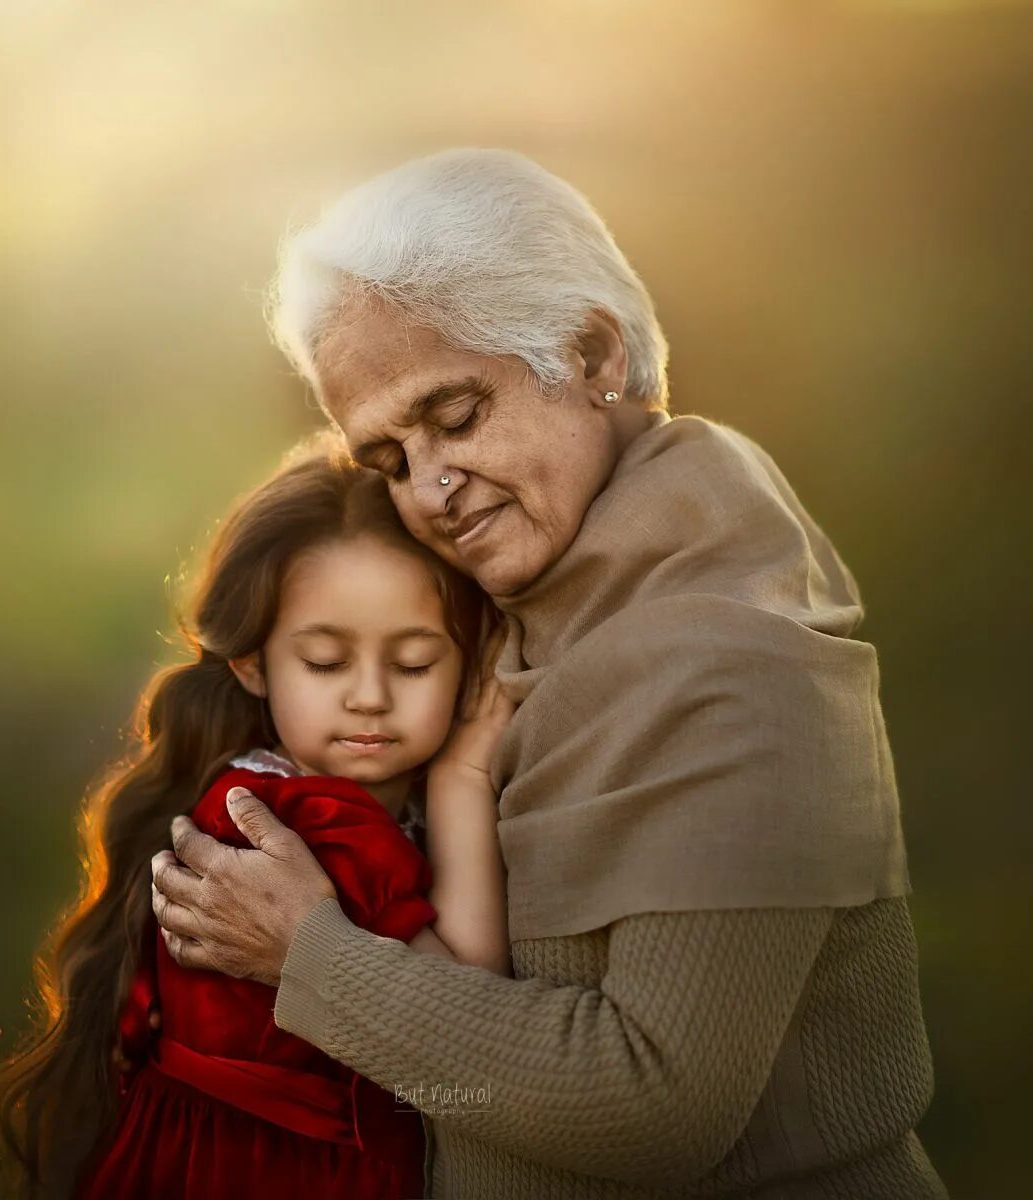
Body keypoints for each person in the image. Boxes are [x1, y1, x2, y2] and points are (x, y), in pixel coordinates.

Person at [151, 149, 949, 1198]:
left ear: (590, 352)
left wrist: (310, 955)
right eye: (389, 459)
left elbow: (649, 1108)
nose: (430, 488)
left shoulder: (728, 661)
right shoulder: (516, 611)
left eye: (453, 414)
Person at [0, 435, 513, 1199]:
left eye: (414, 662)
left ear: (471, 660)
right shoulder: (303, 822)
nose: (368, 695)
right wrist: (464, 774)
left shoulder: (248, 787)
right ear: (252, 663)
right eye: (325, 661)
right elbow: (469, 1014)